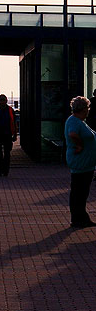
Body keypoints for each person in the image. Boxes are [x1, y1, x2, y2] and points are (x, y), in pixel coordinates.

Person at [65, 96, 96, 228]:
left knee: (81, 191)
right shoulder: (74, 121)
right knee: (79, 191)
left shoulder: (79, 121)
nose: (88, 110)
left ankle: (81, 217)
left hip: (86, 163)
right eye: (88, 108)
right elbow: (73, 134)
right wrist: (80, 145)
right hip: (81, 163)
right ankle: (78, 218)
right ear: (83, 109)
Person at [0, 94, 17, 176]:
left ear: (6, 101)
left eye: (3, 100)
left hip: (7, 135)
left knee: (7, 153)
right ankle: (0, 170)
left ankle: (5, 171)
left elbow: (14, 123)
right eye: (0, 100)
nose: (2, 102)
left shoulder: (10, 110)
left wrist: (15, 135)